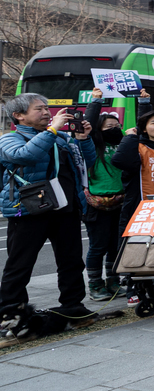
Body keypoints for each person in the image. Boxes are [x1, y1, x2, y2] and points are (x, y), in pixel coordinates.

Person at [0, 95, 97, 322]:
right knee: (20, 263)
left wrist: (83, 139)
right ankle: (11, 311)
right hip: (28, 210)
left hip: (65, 207)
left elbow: (87, 162)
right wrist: (52, 130)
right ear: (19, 115)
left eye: (47, 108)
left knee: (71, 260)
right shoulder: (10, 139)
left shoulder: (62, 137)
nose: (46, 112)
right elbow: (24, 156)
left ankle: (73, 306)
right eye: (39, 109)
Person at [81, 88, 127, 299]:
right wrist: (96, 101)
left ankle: (113, 280)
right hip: (96, 204)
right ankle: (95, 285)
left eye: (117, 126)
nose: (115, 129)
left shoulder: (122, 145)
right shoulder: (92, 145)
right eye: (110, 126)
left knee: (115, 245)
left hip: (121, 201)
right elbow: (86, 126)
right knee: (98, 246)